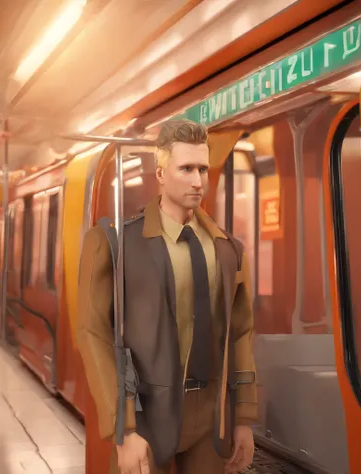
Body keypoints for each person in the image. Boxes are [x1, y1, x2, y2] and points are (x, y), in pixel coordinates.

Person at [77, 119, 257, 474]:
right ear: (160, 173)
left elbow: (240, 333)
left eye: (202, 169)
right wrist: (123, 428)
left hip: (209, 418)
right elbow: (93, 334)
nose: (197, 181)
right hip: (145, 415)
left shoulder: (227, 249)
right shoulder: (115, 244)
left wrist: (243, 417)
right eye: (186, 168)